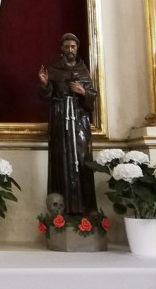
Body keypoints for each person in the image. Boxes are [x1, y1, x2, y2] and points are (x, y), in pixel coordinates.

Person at [38, 33, 98, 215]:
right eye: (67, 47)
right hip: (60, 116)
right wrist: (45, 84)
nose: (70, 50)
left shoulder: (83, 69)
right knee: (61, 156)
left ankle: (84, 208)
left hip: (79, 119)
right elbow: (48, 95)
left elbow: (92, 96)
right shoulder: (54, 68)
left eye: (73, 46)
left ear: (77, 48)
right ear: (62, 48)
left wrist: (83, 92)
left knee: (81, 157)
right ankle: (62, 210)